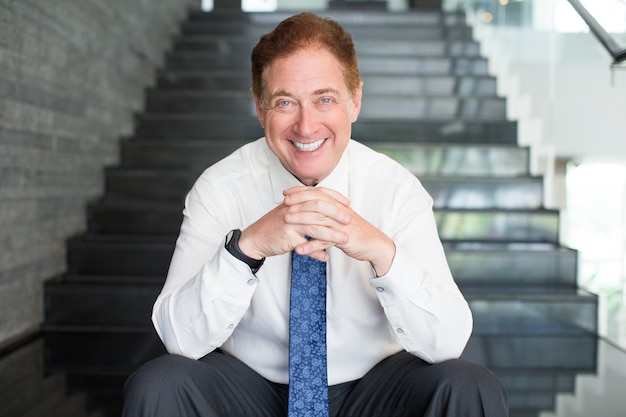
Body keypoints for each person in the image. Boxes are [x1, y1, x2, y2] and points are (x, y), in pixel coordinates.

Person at [122, 12, 509, 417]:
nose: (306, 126)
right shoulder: (220, 187)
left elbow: (447, 343)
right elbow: (177, 339)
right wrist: (246, 247)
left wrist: (380, 250)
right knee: (159, 383)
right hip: (251, 387)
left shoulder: (397, 189)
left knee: (470, 386)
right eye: (285, 102)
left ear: (355, 101)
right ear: (259, 108)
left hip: (375, 389)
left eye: (325, 99)